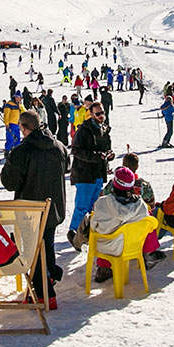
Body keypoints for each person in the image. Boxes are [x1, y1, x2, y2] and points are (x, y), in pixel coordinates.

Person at [0, 109, 69, 306]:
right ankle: (48, 278)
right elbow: (67, 166)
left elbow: (9, 182)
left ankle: (44, 292)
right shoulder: (58, 146)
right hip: (54, 207)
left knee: (35, 250)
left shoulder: (23, 151)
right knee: (46, 245)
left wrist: (9, 164)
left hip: (30, 209)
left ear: (22, 127)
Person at [88, 166, 161, 281]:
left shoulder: (102, 203)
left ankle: (104, 267)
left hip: (108, 248)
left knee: (101, 230)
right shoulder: (140, 205)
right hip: (132, 247)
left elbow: (94, 226)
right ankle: (149, 254)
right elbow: (150, 224)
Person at [67, 101, 113, 244]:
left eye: (102, 113)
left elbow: (105, 149)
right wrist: (95, 156)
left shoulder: (104, 128)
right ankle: (73, 232)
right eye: (98, 113)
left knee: (95, 206)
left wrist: (109, 155)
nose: (101, 116)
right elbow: (76, 150)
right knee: (82, 206)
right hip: (84, 174)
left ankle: (87, 232)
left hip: (98, 173)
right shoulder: (84, 129)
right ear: (91, 114)